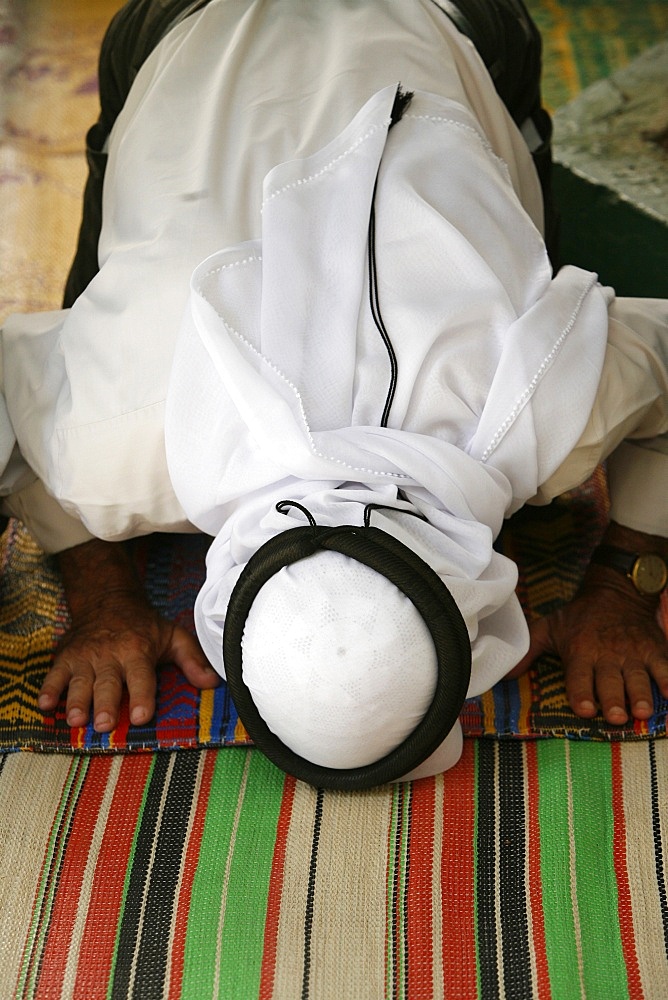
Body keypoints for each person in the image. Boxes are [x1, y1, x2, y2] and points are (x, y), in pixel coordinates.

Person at [1, 0, 666, 785]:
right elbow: (21, 378)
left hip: (264, 27)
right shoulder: (114, 456)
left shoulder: (547, 414)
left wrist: (628, 588)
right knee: (109, 297)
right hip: (243, 32)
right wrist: (104, 592)